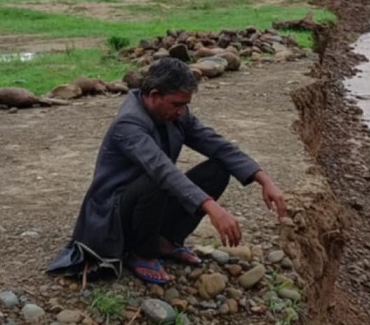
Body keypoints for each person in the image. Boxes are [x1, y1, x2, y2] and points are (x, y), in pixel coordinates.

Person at [46, 58, 287, 285]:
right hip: (115, 211)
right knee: (158, 179)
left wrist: (263, 179)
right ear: (154, 96)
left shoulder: (175, 114)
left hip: (149, 199)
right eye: (177, 104)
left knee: (218, 169)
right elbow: (162, 170)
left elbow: (217, 144)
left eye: (185, 105)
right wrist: (212, 207)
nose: (182, 111)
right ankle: (140, 251)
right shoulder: (129, 124)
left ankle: (165, 241)